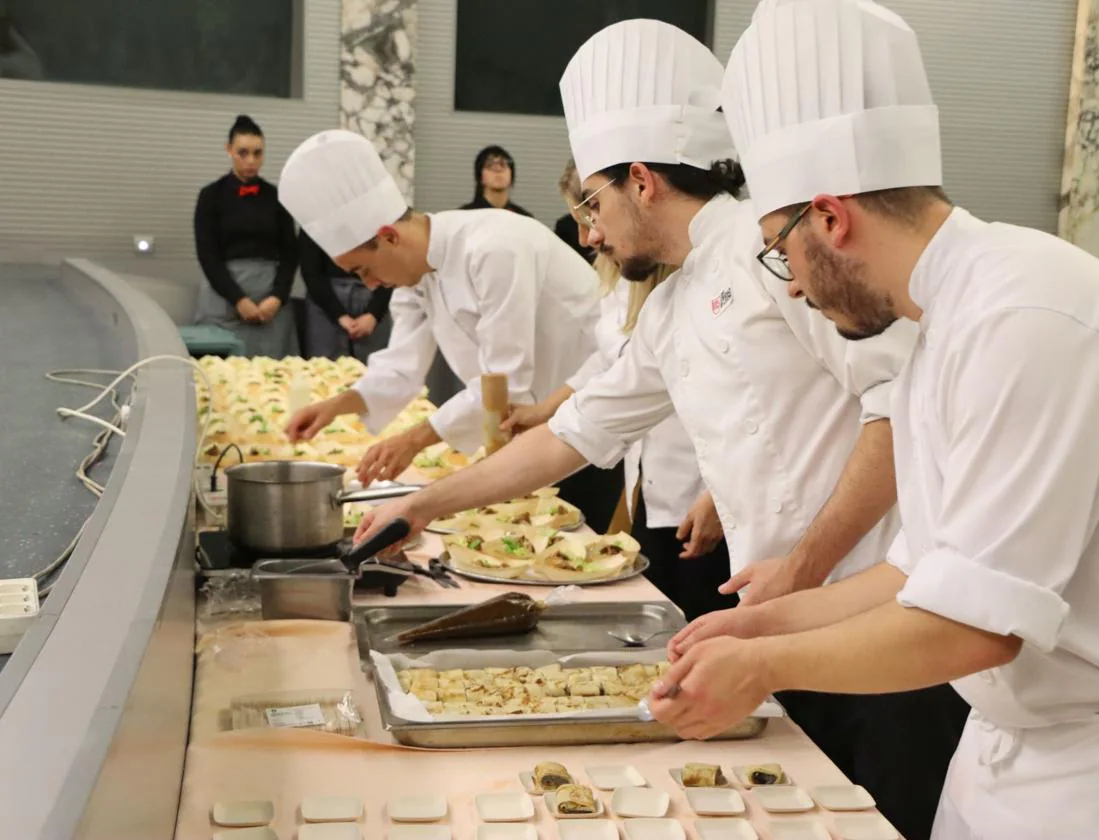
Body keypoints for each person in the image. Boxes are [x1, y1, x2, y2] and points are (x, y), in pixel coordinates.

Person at [354, 21, 957, 839]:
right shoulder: (672, 304)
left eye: (593, 203)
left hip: (881, 625)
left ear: (641, 181)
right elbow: (575, 430)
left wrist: (804, 569)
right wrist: (425, 504)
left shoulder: (773, 253)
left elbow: (895, 411)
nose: (590, 232)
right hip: (777, 619)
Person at [653, 3, 1099, 839]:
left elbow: (976, 627)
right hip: (1004, 753)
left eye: (779, 251)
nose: (789, 284)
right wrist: (755, 622)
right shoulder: (941, 321)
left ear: (830, 218)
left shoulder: (1030, 313)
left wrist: (760, 663)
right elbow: (916, 576)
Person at [279, 129, 622, 526]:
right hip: (523, 433)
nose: (369, 285)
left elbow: (503, 381)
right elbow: (401, 367)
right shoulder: (413, 274)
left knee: (568, 556)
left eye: (363, 270)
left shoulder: (494, 247)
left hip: (587, 420)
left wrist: (413, 439)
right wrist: (336, 406)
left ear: (388, 237)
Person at [503, 157, 736, 622]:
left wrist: (722, 495)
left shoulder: (713, 267)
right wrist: (548, 410)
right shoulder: (633, 282)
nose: (590, 236)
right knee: (666, 612)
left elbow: (753, 406)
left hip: (706, 483)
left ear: (640, 187)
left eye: (594, 213)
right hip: (650, 475)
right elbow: (611, 368)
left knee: (700, 612)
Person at [193, 114, 299, 359]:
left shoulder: (276, 196)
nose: (251, 160)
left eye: (258, 153)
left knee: (275, 371)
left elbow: (291, 252)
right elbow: (207, 255)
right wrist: (238, 299)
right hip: (225, 295)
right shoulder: (210, 196)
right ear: (229, 150)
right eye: (243, 153)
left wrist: (278, 297)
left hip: (270, 297)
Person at [300, 229, 393, 361]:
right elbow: (311, 271)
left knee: (377, 367)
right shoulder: (315, 217)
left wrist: (373, 314)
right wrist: (340, 316)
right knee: (325, 370)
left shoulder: (381, 215)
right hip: (325, 300)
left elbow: (393, 265)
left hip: (374, 297)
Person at [459, 145, 533, 216]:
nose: (498, 169)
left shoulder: (523, 219)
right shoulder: (464, 216)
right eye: (490, 165)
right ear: (480, 177)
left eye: (503, 164)